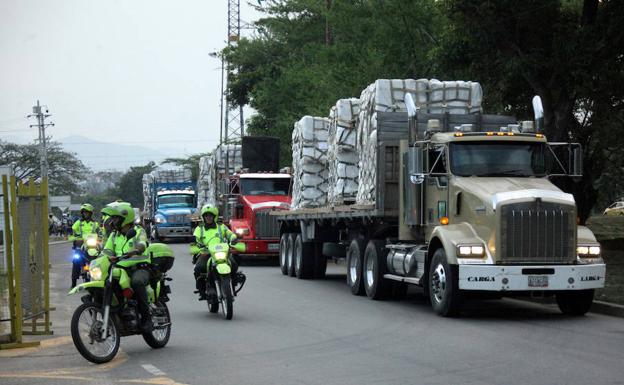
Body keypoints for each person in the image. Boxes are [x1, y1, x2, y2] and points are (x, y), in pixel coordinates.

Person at [102, 201, 153, 332]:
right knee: (107, 284)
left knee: (136, 283)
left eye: (116, 218)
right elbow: (106, 251)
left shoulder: (138, 231)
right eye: (112, 218)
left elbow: (142, 243)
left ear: (125, 218)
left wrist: (137, 249)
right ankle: (120, 312)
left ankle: (147, 319)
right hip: (120, 269)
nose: (113, 221)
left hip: (140, 267)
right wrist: (102, 257)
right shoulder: (114, 235)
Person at [192, 204, 237, 302]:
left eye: (211, 215)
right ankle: (202, 291)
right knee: (198, 268)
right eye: (206, 215)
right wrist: (198, 245)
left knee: (233, 264)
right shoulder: (199, 229)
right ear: (203, 217)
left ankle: (232, 284)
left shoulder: (221, 227)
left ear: (214, 216)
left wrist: (233, 238)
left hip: (222, 252)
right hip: (206, 253)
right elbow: (195, 240)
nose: (208, 217)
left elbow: (230, 234)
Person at [69, 203, 101, 288]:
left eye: (87, 212)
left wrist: (101, 239)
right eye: (84, 212)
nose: (85, 214)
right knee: (76, 260)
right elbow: (73, 232)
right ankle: (73, 282)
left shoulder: (95, 224)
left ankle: (97, 281)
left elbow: (100, 233)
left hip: (92, 246)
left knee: (97, 261)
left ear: (90, 213)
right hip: (81, 245)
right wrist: (75, 238)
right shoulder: (78, 223)